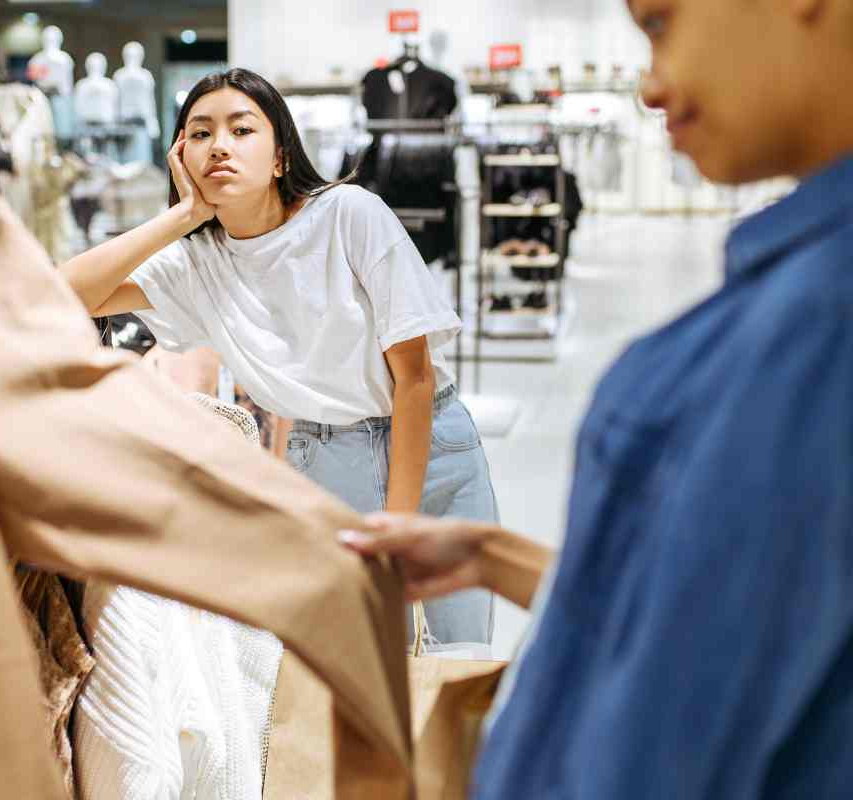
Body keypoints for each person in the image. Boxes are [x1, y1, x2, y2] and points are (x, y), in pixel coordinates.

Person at [342, 0, 853, 796]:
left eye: (660, 24)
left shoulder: (812, 328)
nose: (650, 86)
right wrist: (495, 559)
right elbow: (732, 621)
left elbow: (675, 728)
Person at [61, 68, 499, 649]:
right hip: (321, 461)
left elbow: (414, 380)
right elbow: (57, 296)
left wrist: (395, 536)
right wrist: (182, 217)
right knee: (361, 671)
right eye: (200, 133)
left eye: (242, 129)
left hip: (429, 447)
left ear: (279, 157)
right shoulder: (194, 262)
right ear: (180, 156)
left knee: (458, 660)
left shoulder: (348, 214)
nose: (219, 145)